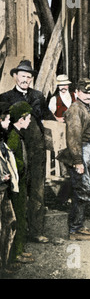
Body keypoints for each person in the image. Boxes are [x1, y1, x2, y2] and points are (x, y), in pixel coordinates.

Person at [0, 59, 53, 244]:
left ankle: (36, 231)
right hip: (18, 152)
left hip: (37, 151)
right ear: (15, 77)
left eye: (29, 77)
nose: (25, 80)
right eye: (22, 76)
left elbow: (49, 119)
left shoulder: (38, 96)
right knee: (19, 192)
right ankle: (18, 238)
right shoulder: (5, 97)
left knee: (38, 192)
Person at [59, 78, 90, 241]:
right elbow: (73, 137)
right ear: (77, 93)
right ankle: (75, 229)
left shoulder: (85, 107)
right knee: (82, 190)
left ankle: (79, 226)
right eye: (86, 92)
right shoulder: (76, 109)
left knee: (83, 190)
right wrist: (78, 161)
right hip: (80, 151)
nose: (89, 95)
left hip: (86, 151)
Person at [7, 101, 34, 265]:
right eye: (28, 118)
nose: (30, 121)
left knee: (21, 214)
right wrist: (21, 167)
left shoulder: (17, 134)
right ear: (21, 119)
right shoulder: (13, 137)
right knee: (18, 216)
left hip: (21, 181)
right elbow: (11, 160)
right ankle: (15, 253)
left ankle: (19, 250)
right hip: (17, 184)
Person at [0, 103, 20, 276]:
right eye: (6, 120)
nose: (8, 124)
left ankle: (4, 264)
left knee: (9, 223)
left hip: (4, 189)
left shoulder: (2, 141)